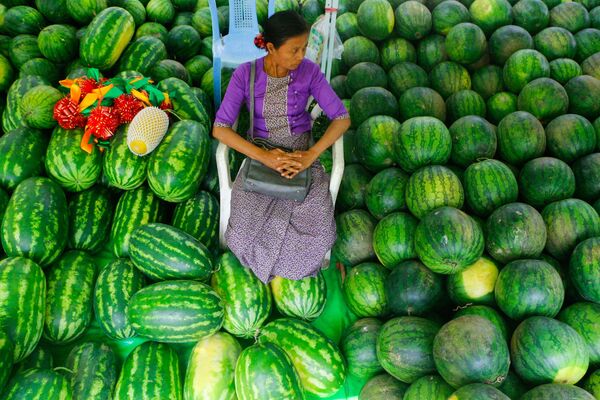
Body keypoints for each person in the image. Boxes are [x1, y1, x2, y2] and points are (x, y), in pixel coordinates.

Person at [212, 10, 351, 284]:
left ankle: (278, 267)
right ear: (271, 47)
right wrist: (266, 158)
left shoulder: (309, 71)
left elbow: (341, 118)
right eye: (295, 50)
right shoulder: (245, 74)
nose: (302, 56)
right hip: (259, 155)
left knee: (316, 227)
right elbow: (220, 128)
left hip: (300, 155)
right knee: (243, 231)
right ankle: (271, 266)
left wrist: (311, 155)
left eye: (305, 48)